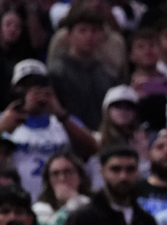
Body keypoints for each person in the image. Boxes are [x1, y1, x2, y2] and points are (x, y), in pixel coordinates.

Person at [1, 60, 98, 199]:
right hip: (15, 201)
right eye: (26, 86)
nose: (33, 92)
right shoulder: (4, 119)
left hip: (59, 202)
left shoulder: (65, 122)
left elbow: (92, 149)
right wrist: (2, 127)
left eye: (38, 85)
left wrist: (60, 114)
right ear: (15, 90)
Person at [32, 151, 91, 225]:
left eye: (68, 172)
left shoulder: (93, 203)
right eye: (55, 174)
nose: (62, 178)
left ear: (80, 176)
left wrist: (78, 200)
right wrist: (72, 203)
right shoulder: (39, 209)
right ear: (48, 180)